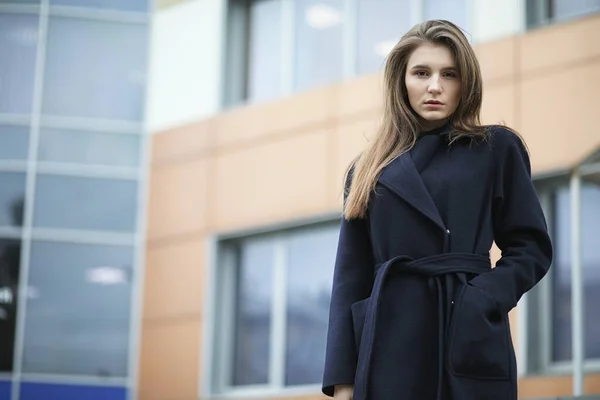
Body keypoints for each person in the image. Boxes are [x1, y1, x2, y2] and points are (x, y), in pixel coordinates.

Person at [321, 20, 553, 400]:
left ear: (467, 83)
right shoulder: (367, 169)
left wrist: (481, 299)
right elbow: (349, 278)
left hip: (467, 333)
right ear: (402, 81)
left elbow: (531, 247)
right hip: (388, 347)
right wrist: (344, 381)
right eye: (421, 73)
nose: (434, 86)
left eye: (449, 74)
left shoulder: (496, 149)